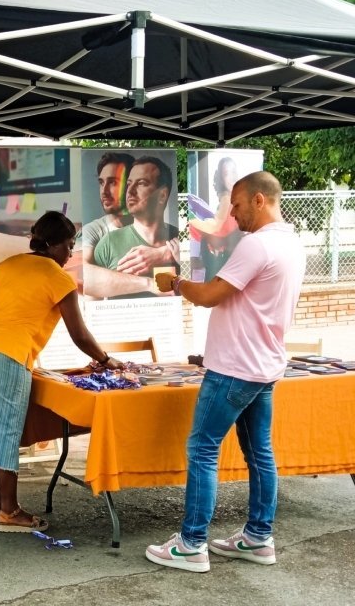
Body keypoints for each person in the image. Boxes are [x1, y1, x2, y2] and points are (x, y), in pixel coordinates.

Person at [145, 171, 305, 572]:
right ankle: (257, 537)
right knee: (259, 453)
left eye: (236, 204)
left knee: (202, 449)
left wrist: (176, 283)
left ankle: (192, 543)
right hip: (264, 365)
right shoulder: (291, 242)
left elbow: (210, 295)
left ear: (259, 200)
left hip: (235, 367)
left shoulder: (258, 244)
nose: (232, 214)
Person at [0, 211, 125, 533]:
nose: (70, 253)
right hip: (9, 353)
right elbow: (79, 334)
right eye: (68, 245)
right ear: (51, 244)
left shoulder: (9, 265)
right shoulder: (58, 277)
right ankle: (10, 512)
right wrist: (107, 360)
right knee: (6, 429)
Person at [89, 156, 180, 298]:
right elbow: (91, 298)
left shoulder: (181, 241)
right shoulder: (109, 243)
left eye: (141, 183)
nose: (129, 191)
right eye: (129, 184)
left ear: (162, 195)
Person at [189, 157, 245, 282]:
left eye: (234, 172)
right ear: (221, 178)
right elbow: (217, 227)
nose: (232, 177)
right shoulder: (229, 199)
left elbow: (216, 227)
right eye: (226, 173)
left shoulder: (230, 198)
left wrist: (194, 222)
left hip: (230, 252)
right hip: (226, 253)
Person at [81, 151, 135, 264]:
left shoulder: (149, 228)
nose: (104, 191)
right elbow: (85, 270)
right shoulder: (92, 231)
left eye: (113, 182)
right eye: (101, 183)